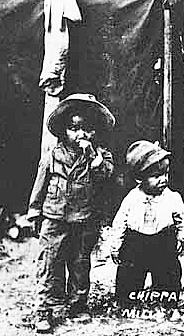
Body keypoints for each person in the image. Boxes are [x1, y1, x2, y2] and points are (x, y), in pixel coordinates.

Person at [26, 93, 115, 333]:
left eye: (88, 129)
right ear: (64, 130)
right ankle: (45, 308)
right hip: (55, 218)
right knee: (49, 262)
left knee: (80, 263)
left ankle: (77, 304)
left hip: (84, 219)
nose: (81, 135)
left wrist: (95, 161)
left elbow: (106, 179)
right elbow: (40, 184)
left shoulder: (101, 157)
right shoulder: (53, 156)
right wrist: (34, 213)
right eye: (74, 128)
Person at [110, 140, 184, 306]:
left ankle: (167, 302)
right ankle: (127, 303)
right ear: (140, 178)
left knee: (168, 274)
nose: (163, 179)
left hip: (163, 241)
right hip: (135, 242)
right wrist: (115, 246)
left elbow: (183, 217)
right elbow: (120, 223)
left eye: (166, 174)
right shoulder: (132, 199)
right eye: (156, 176)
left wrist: (183, 237)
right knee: (129, 275)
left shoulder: (171, 197)